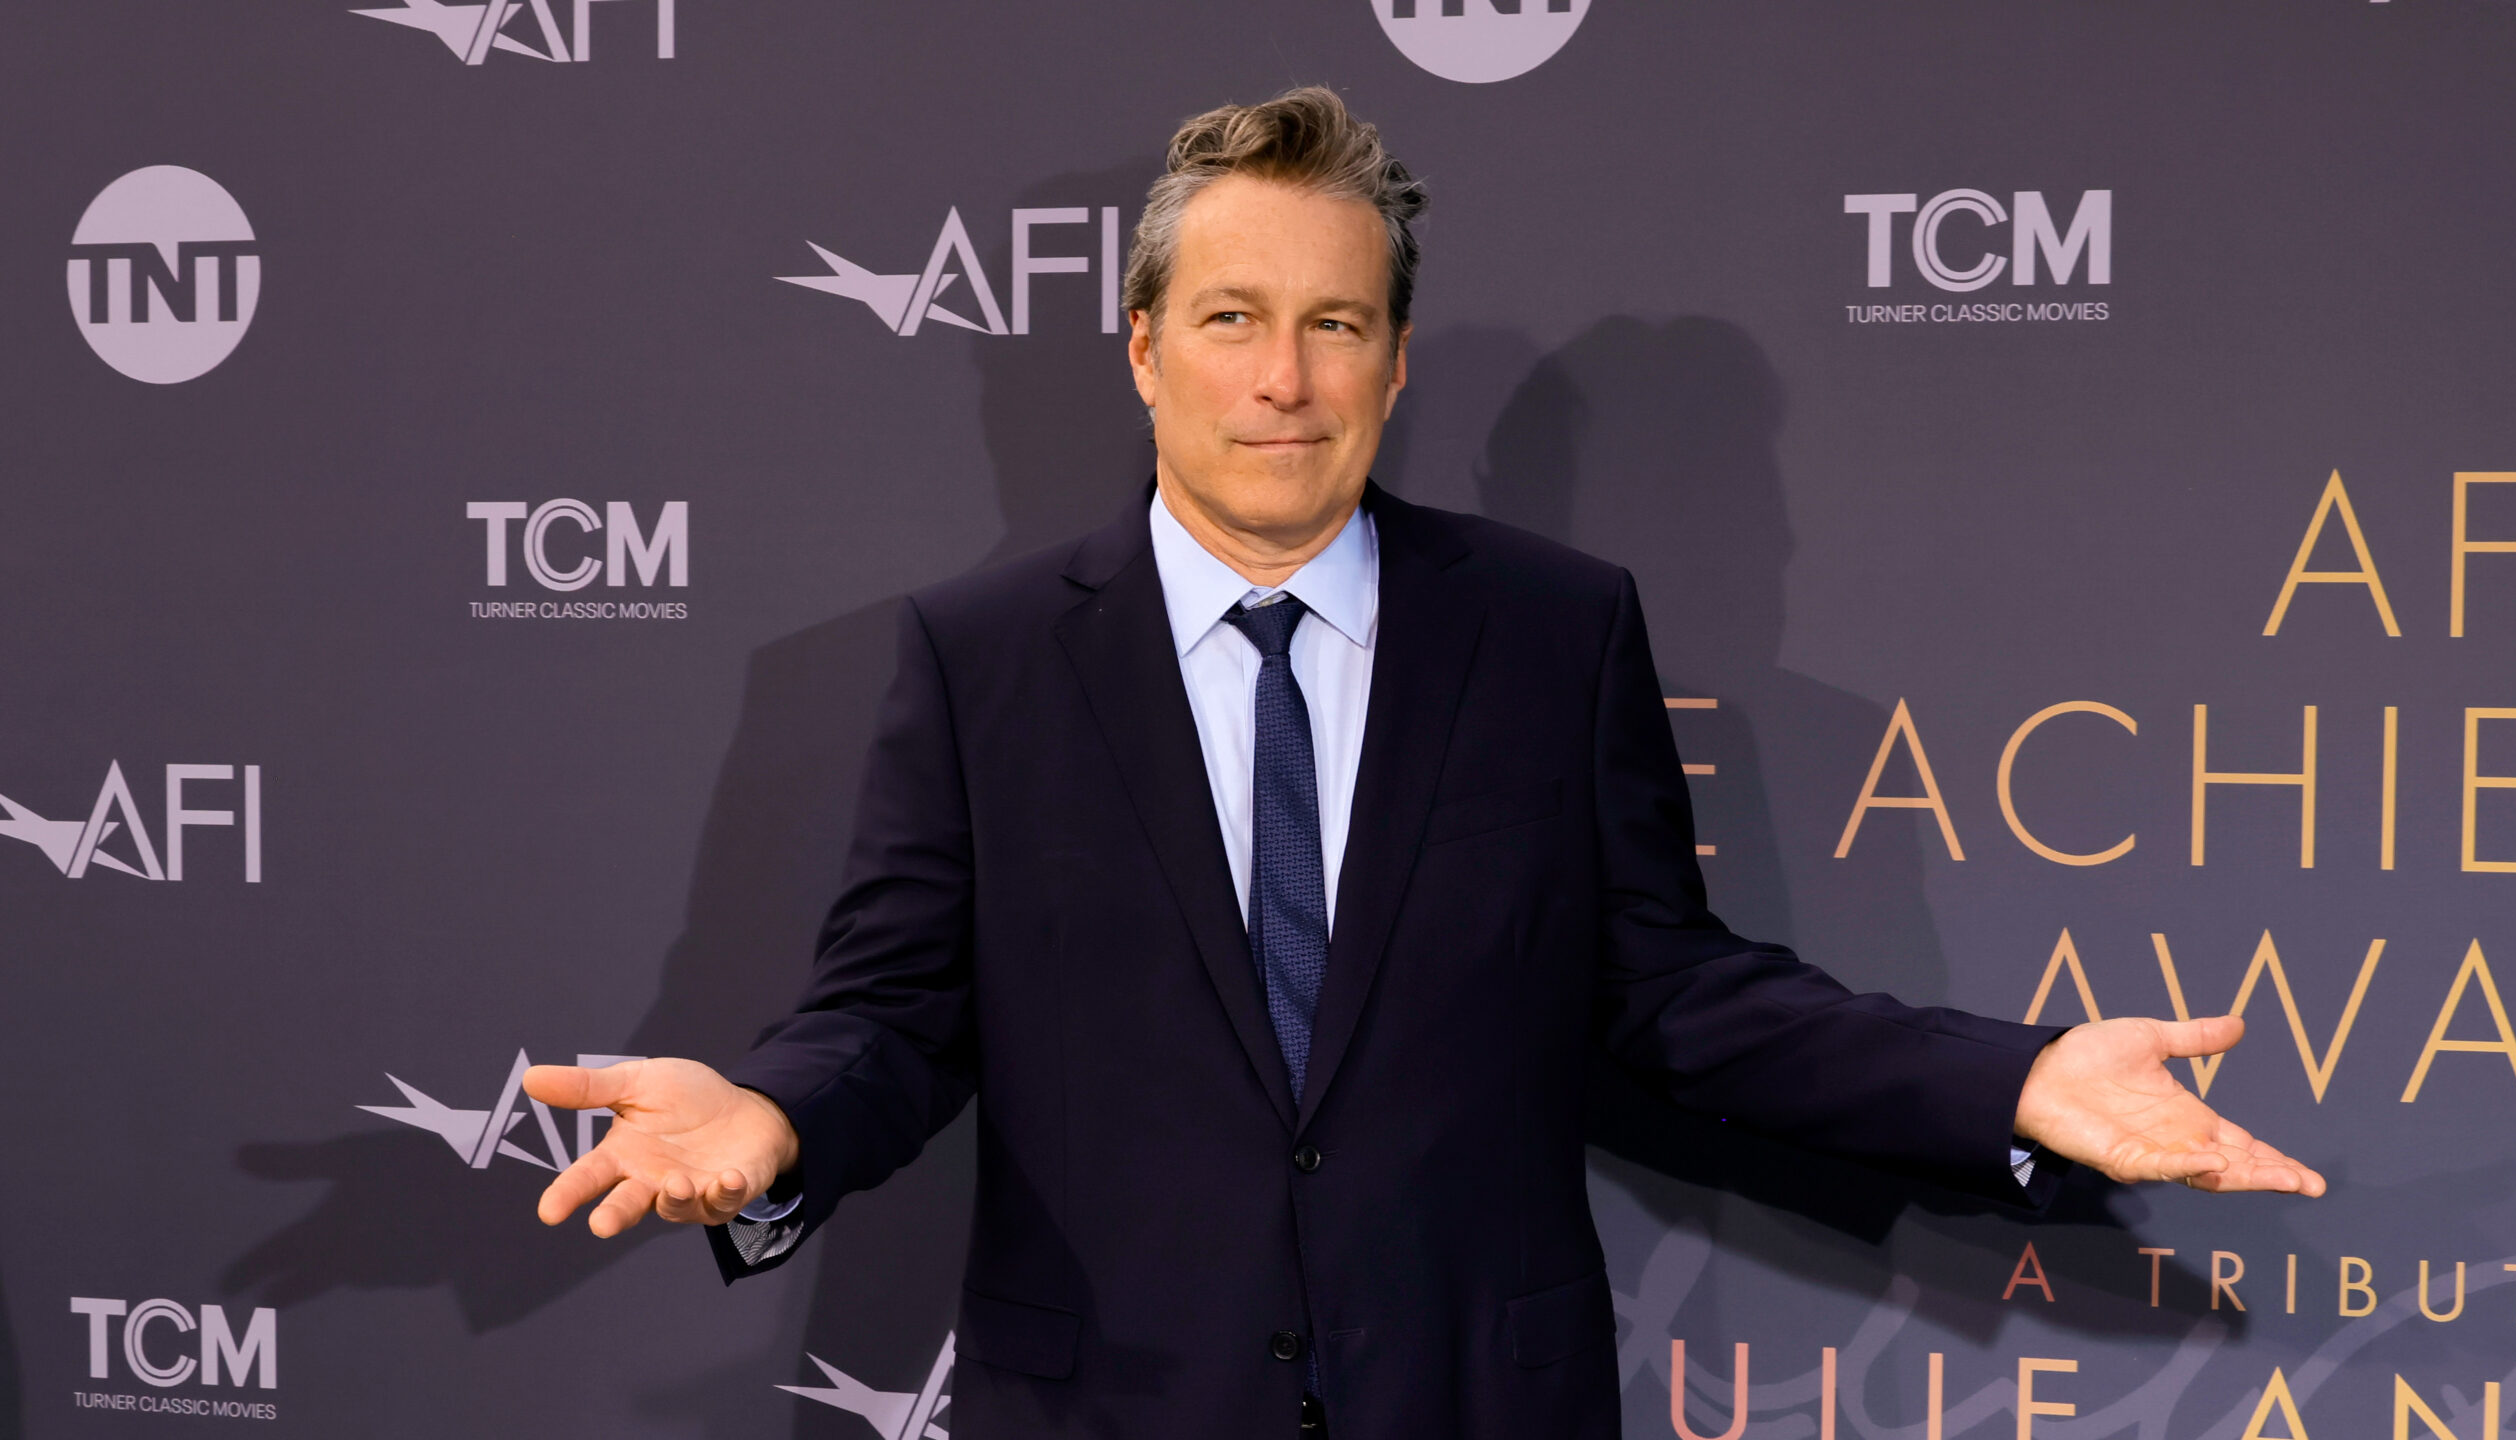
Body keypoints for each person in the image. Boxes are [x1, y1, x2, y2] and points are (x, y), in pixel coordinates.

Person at [524, 86, 2324, 1439]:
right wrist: (769, 1123)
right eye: (1231, 318)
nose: (1282, 377)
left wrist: (2010, 1082)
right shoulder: (983, 659)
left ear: (1392, 368)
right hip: (1107, 1409)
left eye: (1337, 325)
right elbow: (894, 1019)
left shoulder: (1550, 634)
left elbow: (1677, 998)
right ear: (1143, 348)